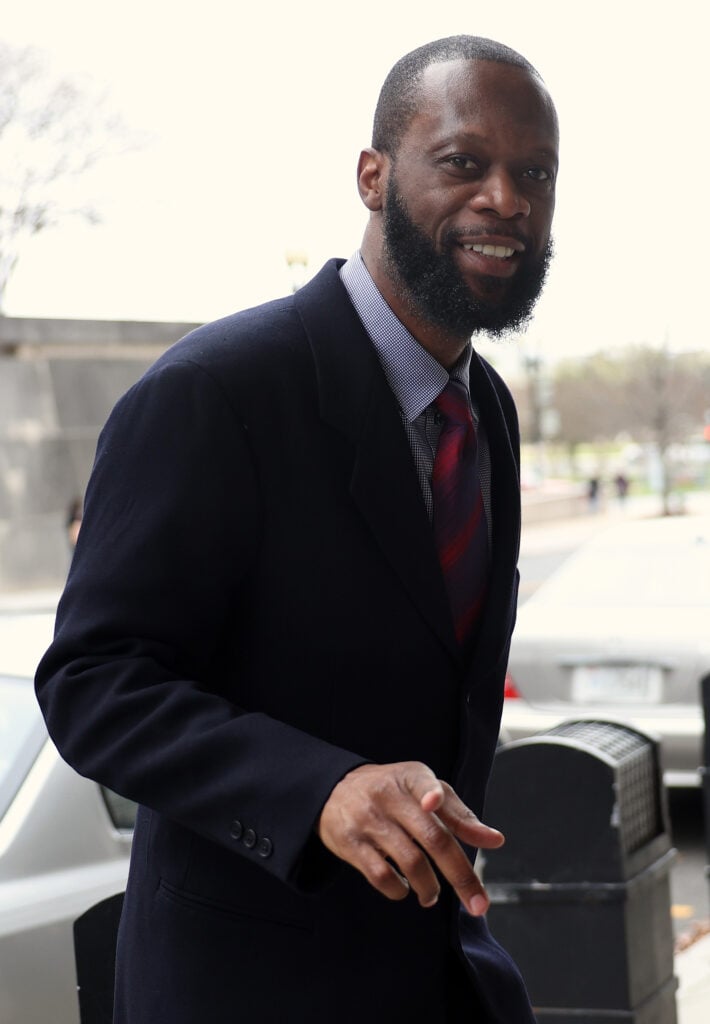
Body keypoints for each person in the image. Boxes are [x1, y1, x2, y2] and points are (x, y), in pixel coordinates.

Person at [35, 35, 559, 1023]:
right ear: (372, 175)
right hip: (246, 989)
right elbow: (93, 680)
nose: (505, 198)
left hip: (445, 980)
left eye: (532, 173)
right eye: (462, 162)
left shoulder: (485, 410)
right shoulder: (212, 392)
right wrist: (319, 788)